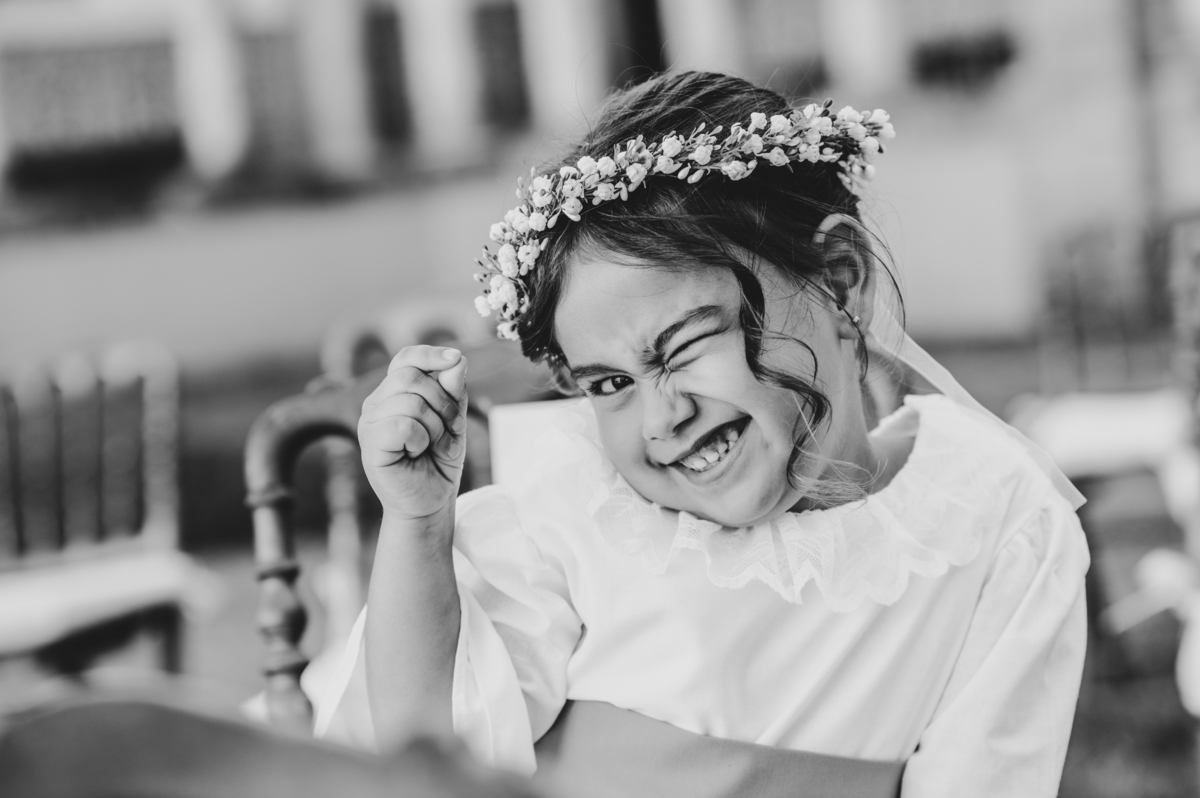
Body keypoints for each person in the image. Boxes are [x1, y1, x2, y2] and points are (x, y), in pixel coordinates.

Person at [318, 71, 1090, 797]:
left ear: (841, 282)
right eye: (611, 384)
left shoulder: (994, 517)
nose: (662, 419)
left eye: (684, 346)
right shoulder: (580, 506)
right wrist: (419, 525)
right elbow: (427, 750)